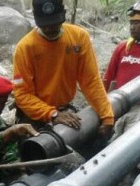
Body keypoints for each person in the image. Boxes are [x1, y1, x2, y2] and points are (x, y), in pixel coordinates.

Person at [13, 0, 114, 136]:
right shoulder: (25, 48)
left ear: (64, 15)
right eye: (44, 25)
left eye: (54, 24)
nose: (49, 29)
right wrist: (52, 114)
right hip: (33, 116)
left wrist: (106, 116)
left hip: (64, 108)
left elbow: (90, 80)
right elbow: (22, 94)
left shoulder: (79, 37)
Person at [103, 2, 140, 92]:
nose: (132, 27)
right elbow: (107, 78)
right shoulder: (123, 47)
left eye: (136, 23)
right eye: (131, 23)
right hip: (119, 103)